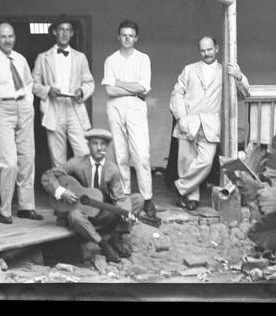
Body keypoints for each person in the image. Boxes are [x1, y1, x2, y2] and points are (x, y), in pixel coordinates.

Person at [169, 36, 250, 211]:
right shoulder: (189, 69)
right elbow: (177, 93)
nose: (206, 53)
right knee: (186, 162)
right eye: (203, 50)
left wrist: (239, 76)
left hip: (210, 126)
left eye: (209, 49)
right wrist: (181, 117)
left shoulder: (225, 72)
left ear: (217, 49)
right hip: (188, 122)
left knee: (205, 162)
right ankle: (191, 198)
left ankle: (181, 188)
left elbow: (244, 95)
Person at [41, 128, 144, 263]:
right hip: (81, 212)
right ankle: (104, 245)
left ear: (107, 147)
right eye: (95, 143)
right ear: (89, 145)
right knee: (75, 216)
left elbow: (119, 197)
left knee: (138, 199)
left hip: (104, 211)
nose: (99, 148)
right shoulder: (76, 163)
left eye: (103, 144)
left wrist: (125, 212)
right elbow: (48, 175)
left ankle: (116, 237)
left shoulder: (112, 169)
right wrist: (62, 192)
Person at [0, 23, 43, 224]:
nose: (7, 40)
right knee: (9, 163)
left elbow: (28, 83)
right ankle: (5, 210)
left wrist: (28, 102)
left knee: (27, 158)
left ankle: (27, 207)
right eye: (3, 36)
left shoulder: (20, 59)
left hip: (24, 109)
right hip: (2, 109)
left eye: (10, 36)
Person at [101, 20, 157, 219]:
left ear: (136, 38)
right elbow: (109, 89)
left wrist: (119, 83)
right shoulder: (111, 60)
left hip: (135, 106)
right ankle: (124, 196)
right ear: (119, 37)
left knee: (141, 155)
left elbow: (143, 87)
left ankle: (147, 197)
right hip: (115, 106)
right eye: (123, 34)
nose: (127, 38)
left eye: (130, 35)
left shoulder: (143, 59)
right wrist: (128, 86)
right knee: (121, 155)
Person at [32, 16, 95, 167]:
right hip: (54, 108)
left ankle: (85, 189)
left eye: (68, 30)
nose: (65, 34)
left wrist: (82, 91)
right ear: (55, 32)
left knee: (83, 151)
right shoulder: (43, 57)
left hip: (74, 108)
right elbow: (33, 84)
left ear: (72, 33)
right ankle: (62, 188)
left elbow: (89, 83)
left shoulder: (80, 58)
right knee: (57, 156)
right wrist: (47, 90)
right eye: (61, 30)